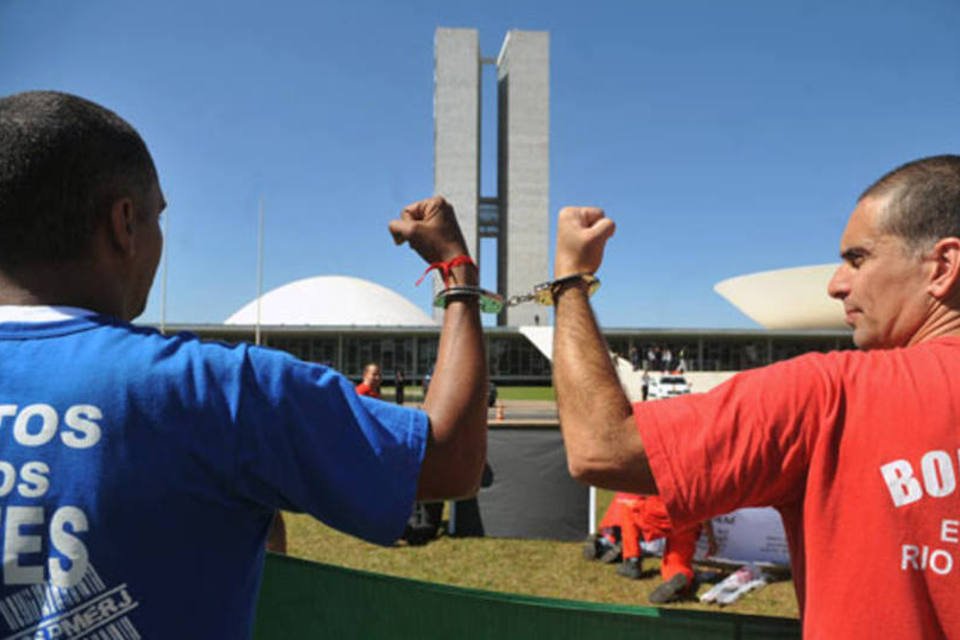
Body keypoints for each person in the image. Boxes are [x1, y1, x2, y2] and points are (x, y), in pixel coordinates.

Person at [0, 91, 488, 639]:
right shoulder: (212, 388)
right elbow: (450, 458)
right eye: (157, 216)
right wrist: (457, 273)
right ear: (124, 223)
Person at [552, 155, 960, 637]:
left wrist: (570, 282)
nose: (836, 283)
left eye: (858, 258)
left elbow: (600, 448)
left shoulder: (830, 396)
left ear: (942, 266)